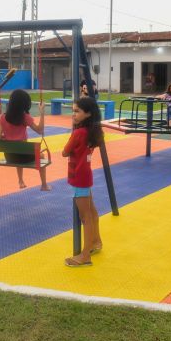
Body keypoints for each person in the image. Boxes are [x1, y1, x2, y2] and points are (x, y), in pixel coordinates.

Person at [63, 97, 104, 267]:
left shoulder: (79, 132)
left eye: (77, 111)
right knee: (92, 212)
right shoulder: (92, 131)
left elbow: (65, 152)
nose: (73, 114)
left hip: (79, 177)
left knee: (85, 216)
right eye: (73, 110)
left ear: (87, 114)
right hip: (85, 175)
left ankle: (85, 255)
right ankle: (96, 241)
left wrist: (73, 132)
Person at [0, 89, 49, 191]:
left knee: (18, 150)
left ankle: (20, 181)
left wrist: (5, 137)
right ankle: (44, 185)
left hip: (10, 156)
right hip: (24, 157)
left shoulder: (3, 117)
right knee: (41, 155)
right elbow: (40, 131)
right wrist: (42, 113)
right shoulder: (25, 117)